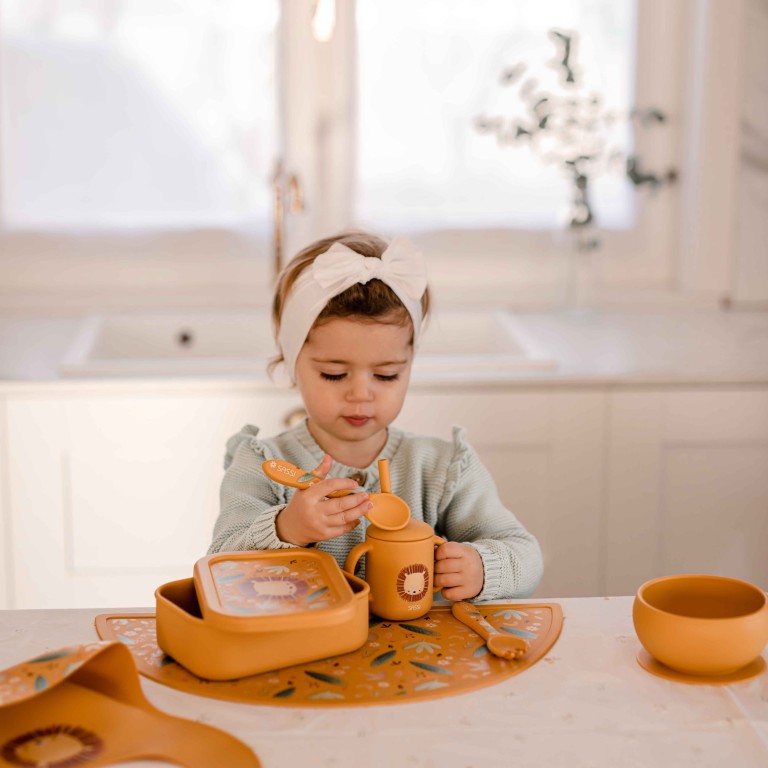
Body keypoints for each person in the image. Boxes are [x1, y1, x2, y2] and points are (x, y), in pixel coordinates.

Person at [208, 231, 543, 600]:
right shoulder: (261, 465)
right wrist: (287, 528)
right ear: (291, 362)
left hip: (420, 652)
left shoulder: (442, 469)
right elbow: (220, 568)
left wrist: (482, 567)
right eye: (334, 374)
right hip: (306, 653)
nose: (361, 394)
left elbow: (525, 554)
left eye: (386, 375)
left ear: (410, 364)